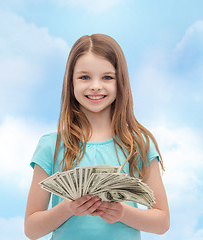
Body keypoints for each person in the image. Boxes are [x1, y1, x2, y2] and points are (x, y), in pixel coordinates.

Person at [24, 34, 170, 240]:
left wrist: (123, 213)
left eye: (107, 77)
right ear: (70, 82)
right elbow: (31, 229)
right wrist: (67, 208)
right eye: (84, 77)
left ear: (120, 82)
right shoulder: (51, 145)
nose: (95, 86)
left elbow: (162, 222)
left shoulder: (138, 144)